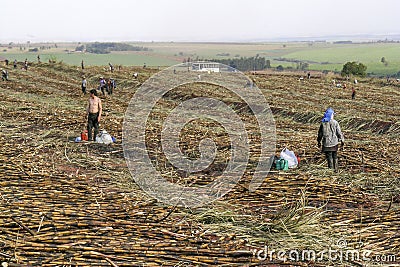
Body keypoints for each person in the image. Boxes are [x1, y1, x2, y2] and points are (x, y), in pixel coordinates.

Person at [317, 108, 344, 172]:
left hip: (326, 144)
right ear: (331, 115)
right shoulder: (335, 122)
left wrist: (319, 141)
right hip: (334, 143)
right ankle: (336, 170)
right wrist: (342, 140)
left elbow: (320, 134)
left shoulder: (323, 123)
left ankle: (331, 171)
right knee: (335, 157)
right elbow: (339, 133)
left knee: (329, 158)